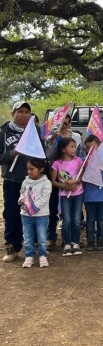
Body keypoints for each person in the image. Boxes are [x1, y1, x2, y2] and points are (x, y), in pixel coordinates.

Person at [1, 101, 37, 263]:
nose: (23, 115)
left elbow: (41, 154)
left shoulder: (34, 132)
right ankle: (12, 247)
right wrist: (12, 153)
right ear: (12, 113)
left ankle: (32, 247)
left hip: (31, 181)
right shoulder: (3, 133)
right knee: (11, 214)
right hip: (11, 180)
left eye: (26, 112)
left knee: (32, 214)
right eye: (20, 111)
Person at [45, 112, 86, 250]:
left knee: (74, 216)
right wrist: (52, 140)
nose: (64, 124)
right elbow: (47, 156)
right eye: (62, 121)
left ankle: (73, 241)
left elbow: (80, 159)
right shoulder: (50, 136)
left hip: (75, 186)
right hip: (56, 178)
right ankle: (52, 237)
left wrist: (75, 181)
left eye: (67, 121)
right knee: (53, 210)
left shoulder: (76, 137)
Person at [50, 137, 84, 256]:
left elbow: (81, 177)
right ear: (63, 149)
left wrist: (75, 182)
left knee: (76, 220)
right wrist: (64, 186)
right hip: (65, 195)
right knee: (67, 219)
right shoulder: (57, 163)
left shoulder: (78, 160)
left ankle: (75, 242)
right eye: (71, 147)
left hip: (78, 194)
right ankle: (67, 243)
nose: (74, 149)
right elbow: (53, 181)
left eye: (75, 147)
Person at [19, 158, 53, 268]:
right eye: (28, 169)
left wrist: (32, 207)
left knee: (42, 237)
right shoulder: (25, 181)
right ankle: (29, 256)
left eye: (32, 169)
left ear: (41, 169)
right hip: (26, 215)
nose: (29, 172)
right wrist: (21, 201)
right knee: (28, 237)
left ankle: (42, 256)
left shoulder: (46, 183)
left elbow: (44, 198)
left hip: (41, 215)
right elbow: (22, 193)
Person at [82, 135, 103, 251]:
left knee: (101, 219)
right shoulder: (84, 161)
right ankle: (90, 240)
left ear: (99, 146)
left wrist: (95, 173)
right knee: (90, 219)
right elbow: (82, 175)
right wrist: (88, 169)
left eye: (93, 147)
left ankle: (100, 240)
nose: (90, 151)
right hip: (89, 195)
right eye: (87, 148)